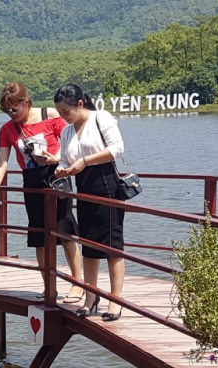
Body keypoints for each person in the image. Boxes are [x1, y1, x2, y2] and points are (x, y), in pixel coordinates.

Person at [0, 82, 84, 303]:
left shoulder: (51, 115)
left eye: (13, 109)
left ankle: (77, 285)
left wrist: (55, 158)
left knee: (65, 232)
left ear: (26, 102)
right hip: (32, 181)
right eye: (5, 111)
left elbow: (72, 146)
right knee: (39, 236)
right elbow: (1, 163)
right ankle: (49, 287)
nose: (10, 114)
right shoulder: (7, 130)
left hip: (57, 176)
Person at [52, 83, 126, 322]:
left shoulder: (100, 118)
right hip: (82, 188)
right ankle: (91, 297)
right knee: (89, 246)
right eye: (60, 112)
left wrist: (85, 160)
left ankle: (116, 301)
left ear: (80, 103)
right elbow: (64, 159)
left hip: (107, 186)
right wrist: (62, 169)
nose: (63, 117)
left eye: (66, 112)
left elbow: (117, 149)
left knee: (112, 246)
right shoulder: (66, 131)